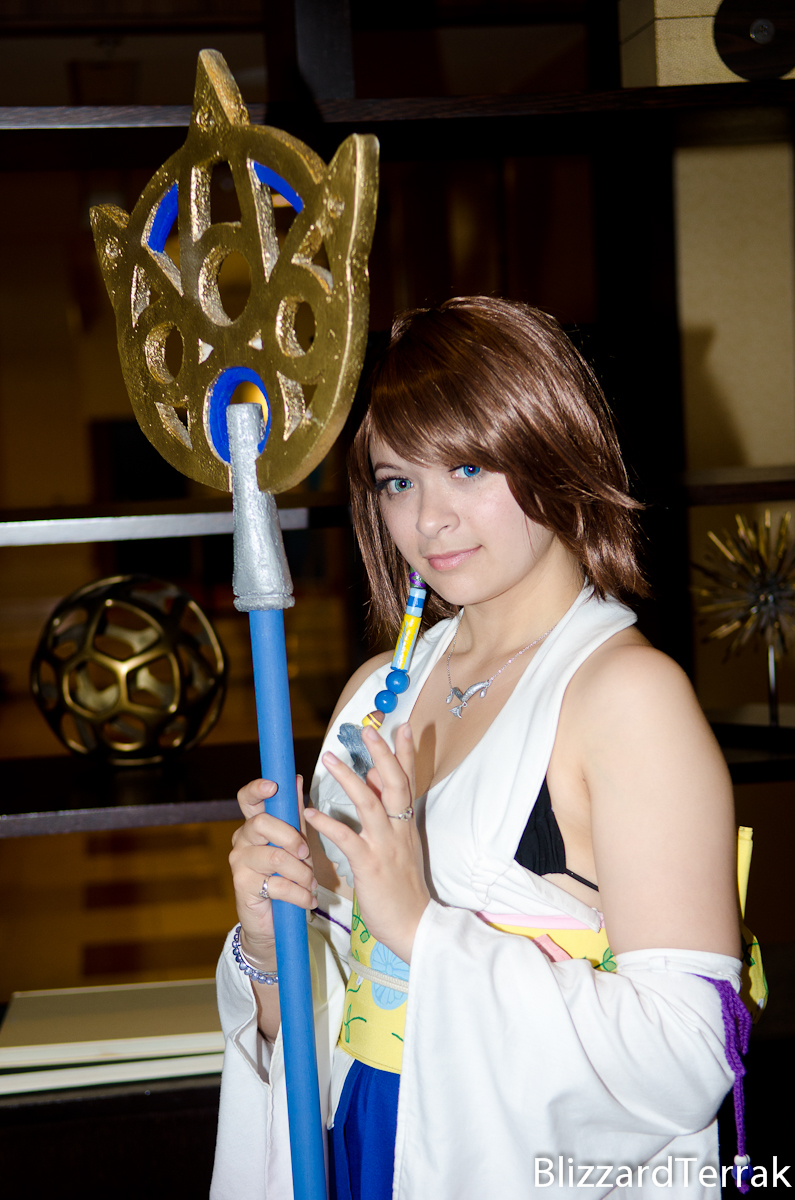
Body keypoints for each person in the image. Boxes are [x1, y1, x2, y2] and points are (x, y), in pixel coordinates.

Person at [211, 297, 747, 1200]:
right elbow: (330, 1026)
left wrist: (421, 928)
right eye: (397, 482)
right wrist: (272, 948)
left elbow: (687, 1056)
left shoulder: (626, 698)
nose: (429, 521)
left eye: (466, 467)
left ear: (553, 448)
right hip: (365, 1142)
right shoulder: (377, 690)